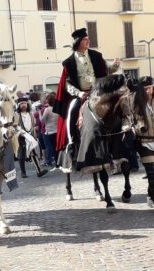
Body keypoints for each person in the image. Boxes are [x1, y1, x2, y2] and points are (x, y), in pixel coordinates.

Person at [53, 27, 121, 153]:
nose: (88, 41)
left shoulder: (96, 55)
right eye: (85, 39)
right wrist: (79, 93)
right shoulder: (69, 62)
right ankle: (72, 141)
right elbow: (67, 84)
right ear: (78, 42)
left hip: (99, 92)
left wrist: (115, 65)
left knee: (118, 105)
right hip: (82, 95)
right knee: (72, 112)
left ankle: (123, 134)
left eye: (88, 39)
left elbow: (107, 70)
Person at [127, 76, 154, 207]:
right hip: (144, 141)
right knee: (151, 172)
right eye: (146, 89)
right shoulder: (136, 103)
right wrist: (134, 127)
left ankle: (150, 194)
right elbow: (129, 120)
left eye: (150, 88)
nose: (149, 91)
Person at [15, 96, 48, 178]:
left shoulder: (30, 114)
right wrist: (20, 133)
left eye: (25, 103)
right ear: (19, 105)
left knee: (34, 154)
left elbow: (34, 125)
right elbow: (14, 126)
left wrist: (34, 131)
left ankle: (39, 171)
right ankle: (23, 172)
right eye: (22, 103)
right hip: (21, 138)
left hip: (31, 137)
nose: (24, 105)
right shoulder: (16, 115)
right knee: (21, 155)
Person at [41, 92, 59, 167]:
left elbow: (43, 119)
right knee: (56, 147)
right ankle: (57, 161)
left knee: (49, 146)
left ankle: (49, 161)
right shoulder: (57, 108)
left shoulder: (47, 109)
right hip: (57, 130)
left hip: (49, 131)